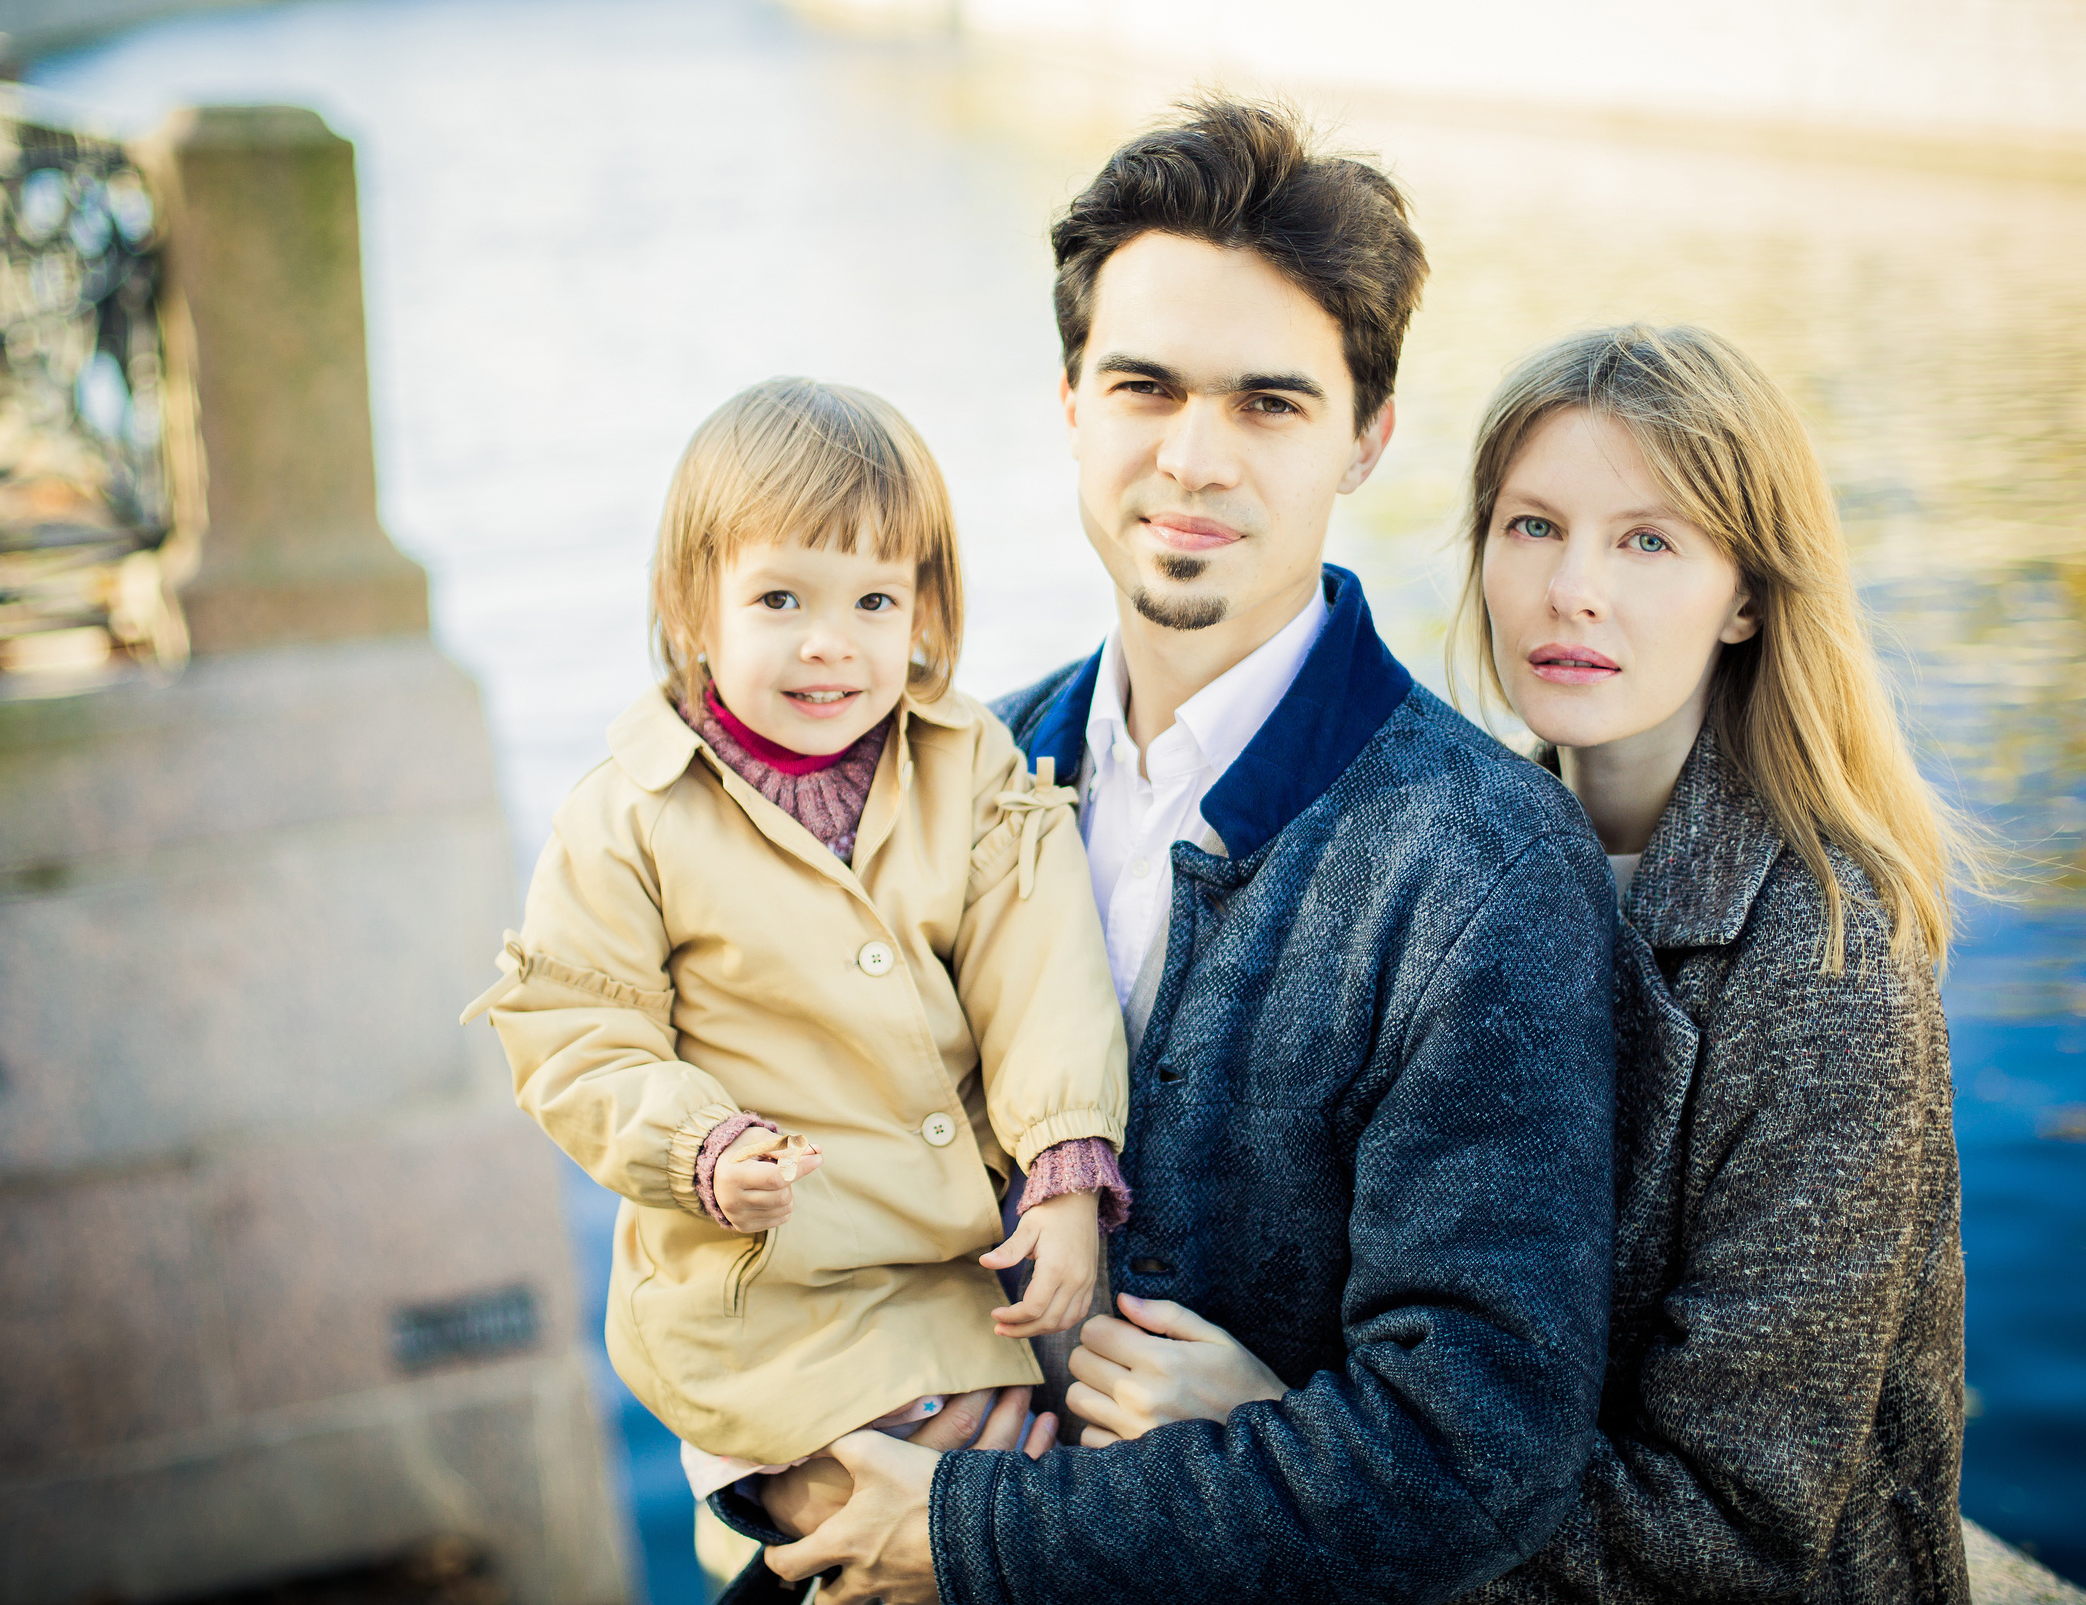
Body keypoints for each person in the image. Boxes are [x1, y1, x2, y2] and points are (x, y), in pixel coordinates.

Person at [756, 100, 1624, 1604]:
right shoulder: (930, 770)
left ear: (1368, 437)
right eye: (1145, 385)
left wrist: (976, 1534)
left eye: (1270, 403)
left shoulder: (1483, 867)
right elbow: (754, 1186)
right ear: (1072, 403)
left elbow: (1480, 1445)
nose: (1193, 459)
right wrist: (785, 1455)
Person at [1056, 324, 1977, 1602]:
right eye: (1532, 526)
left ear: (1750, 594)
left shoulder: (1824, 967)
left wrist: (1285, 1440)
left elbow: (1729, 1524)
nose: (1572, 591)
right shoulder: (1455, 854)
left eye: (1648, 541)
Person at [460, 377, 1128, 1568]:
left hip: (953, 1269)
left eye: (874, 597)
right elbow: (575, 1030)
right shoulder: (628, 817)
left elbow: (1042, 964)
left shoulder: (964, 762)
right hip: (770, 1287)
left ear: (924, 608)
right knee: (855, 1519)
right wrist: (700, 1146)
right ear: (692, 604)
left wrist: (1065, 1163)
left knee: (1022, 1490)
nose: (830, 644)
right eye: (779, 598)